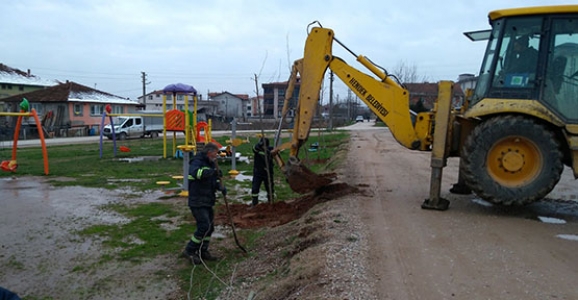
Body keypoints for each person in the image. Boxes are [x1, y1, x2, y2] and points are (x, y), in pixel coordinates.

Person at [182, 142, 227, 265]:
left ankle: (203, 250)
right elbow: (196, 173)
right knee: (204, 226)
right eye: (215, 154)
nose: (216, 156)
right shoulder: (196, 161)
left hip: (207, 200)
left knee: (210, 227)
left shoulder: (211, 163)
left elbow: (213, 181)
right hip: (197, 201)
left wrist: (220, 186)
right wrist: (211, 172)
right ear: (209, 152)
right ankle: (189, 250)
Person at [251, 137, 274, 206]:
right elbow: (254, 148)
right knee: (255, 188)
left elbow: (273, 153)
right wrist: (260, 145)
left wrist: (268, 152)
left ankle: (271, 202)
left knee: (269, 188)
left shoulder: (270, 150)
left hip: (268, 173)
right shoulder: (257, 149)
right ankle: (254, 204)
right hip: (258, 172)